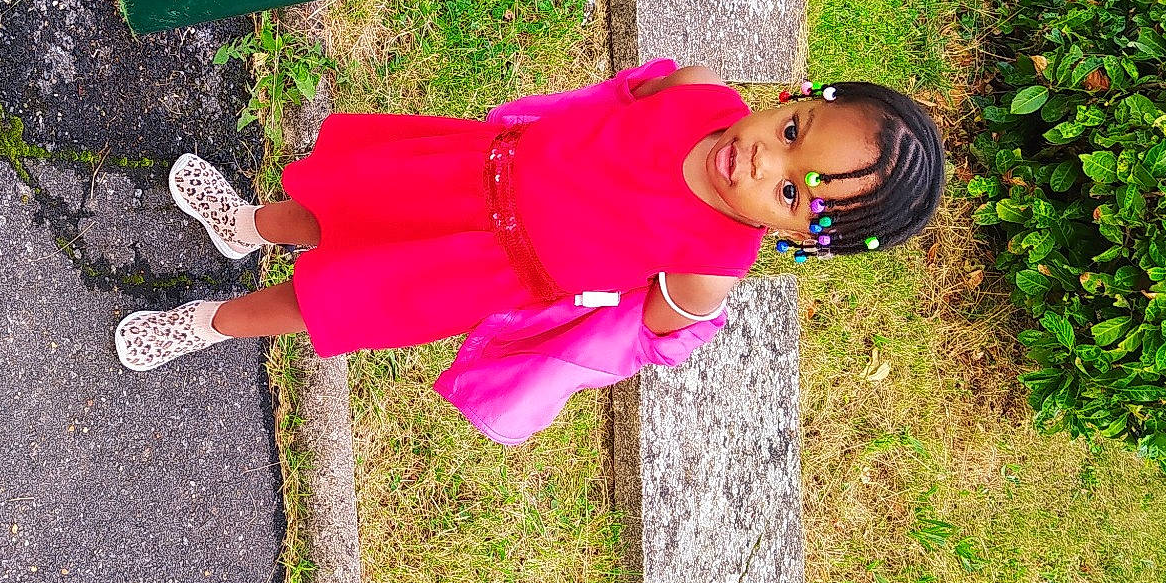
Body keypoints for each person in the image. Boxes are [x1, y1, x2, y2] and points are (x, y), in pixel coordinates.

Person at [112, 60, 945, 377]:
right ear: (792, 98)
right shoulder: (701, 94)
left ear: (798, 240)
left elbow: (646, 327)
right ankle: (247, 227)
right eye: (792, 133)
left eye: (792, 195)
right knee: (337, 208)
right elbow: (613, 106)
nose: (763, 162)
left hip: (480, 269)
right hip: (468, 170)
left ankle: (211, 322)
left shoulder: (711, 265)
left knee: (327, 299)